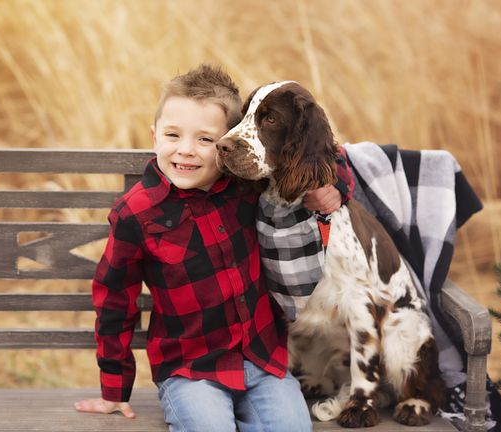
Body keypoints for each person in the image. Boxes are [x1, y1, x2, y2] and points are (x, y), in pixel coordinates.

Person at [74, 64, 341, 432]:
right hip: (190, 370)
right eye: (172, 135)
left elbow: (319, 152)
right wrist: (114, 388)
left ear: (231, 143)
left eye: (204, 140)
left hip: (263, 360)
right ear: (154, 136)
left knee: (292, 428)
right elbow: (115, 300)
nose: (186, 151)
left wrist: (336, 187)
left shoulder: (248, 189)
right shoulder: (136, 213)